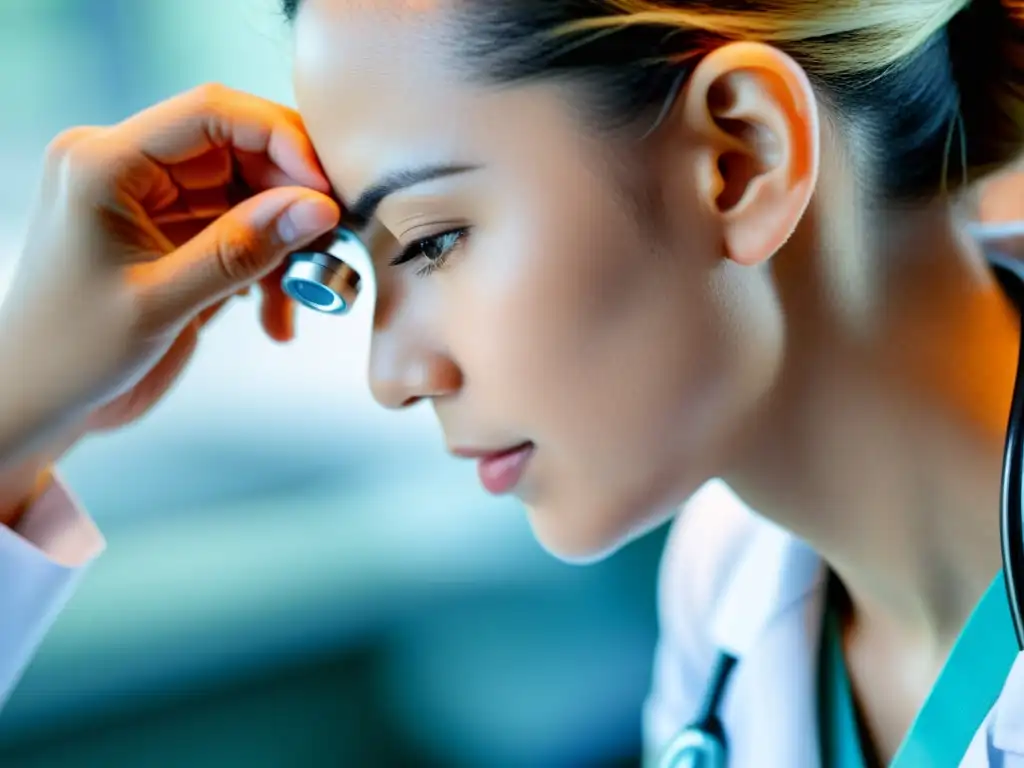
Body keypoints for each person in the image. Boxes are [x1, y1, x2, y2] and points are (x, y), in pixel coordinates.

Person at [1, 0, 1023, 764]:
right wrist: (20, 411)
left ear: (739, 157)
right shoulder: (727, 588)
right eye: (361, 269)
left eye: (436, 239)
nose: (393, 376)